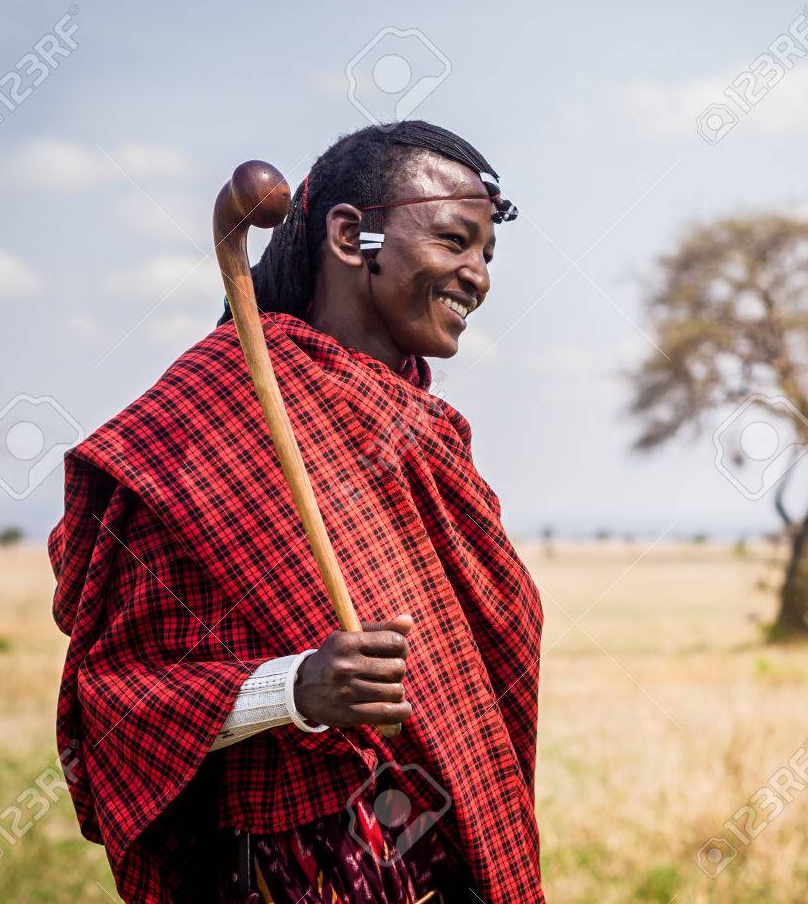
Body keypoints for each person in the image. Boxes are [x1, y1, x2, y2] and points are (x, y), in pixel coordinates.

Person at [50, 122, 544, 903]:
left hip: (438, 858)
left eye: (488, 253)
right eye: (455, 240)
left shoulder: (426, 432)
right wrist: (295, 687)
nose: (478, 276)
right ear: (351, 236)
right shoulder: (214, 413)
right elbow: (118, 699)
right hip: (288, 872)